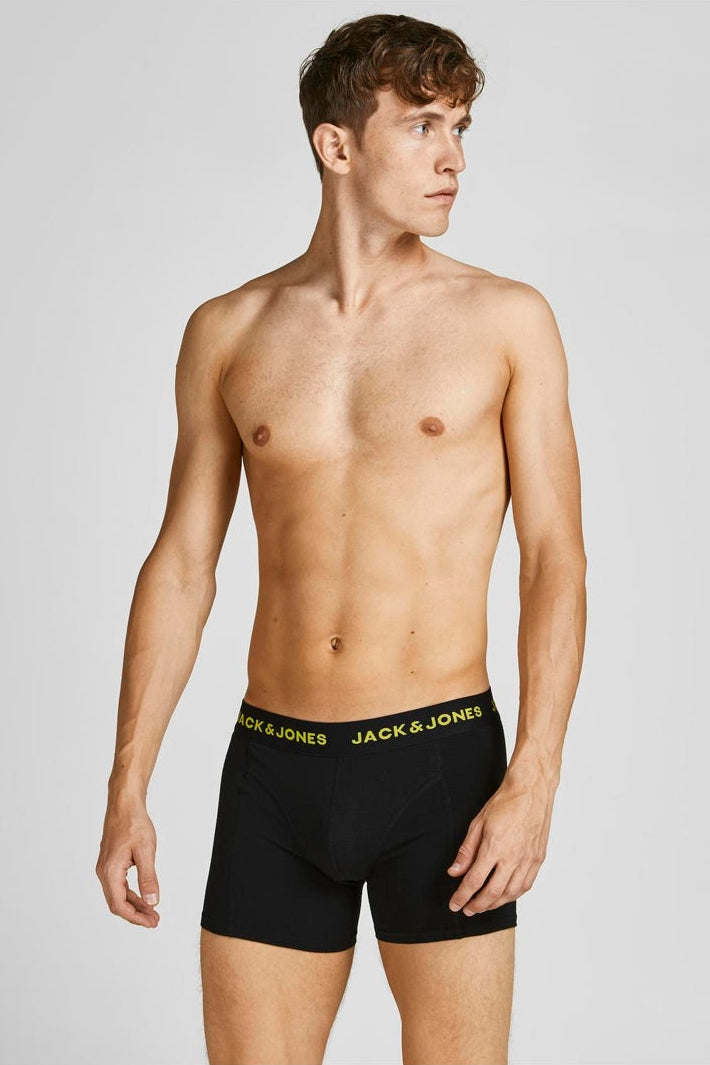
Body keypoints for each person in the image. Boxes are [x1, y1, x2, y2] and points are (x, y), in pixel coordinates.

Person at [95, 12, 587, 1065]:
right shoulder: (228, 331)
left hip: (440, 768)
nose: (453, 159)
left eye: (459, 127)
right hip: (273, 771)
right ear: (337, 145)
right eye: (421, 126)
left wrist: (535, 776)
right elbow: (182, 565)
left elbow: (554, 559)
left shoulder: (506, 321)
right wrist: (127, 783)